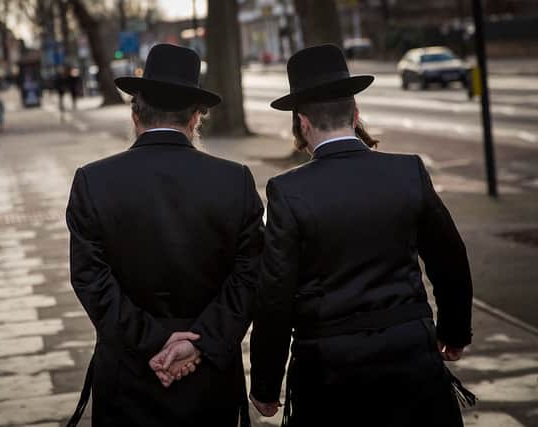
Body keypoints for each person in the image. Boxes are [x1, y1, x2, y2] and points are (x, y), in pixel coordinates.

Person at [249, 44, 474, 426]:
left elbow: (275, 296)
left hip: (329, 371)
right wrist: (454, 332)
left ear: (302, 123)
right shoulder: (408, 172)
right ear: (355, 115)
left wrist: (267, 385)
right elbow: (449, 259)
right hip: (411, 357)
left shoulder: (287, 191)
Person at [66, 44, 263, 427]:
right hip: (208, 378)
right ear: (195, 118)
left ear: (135, 114)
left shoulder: (93, 181)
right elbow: (251, 277)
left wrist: (152, 340)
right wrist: (198, 341)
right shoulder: (234, 181)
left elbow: (91, 280)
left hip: (128, 373)